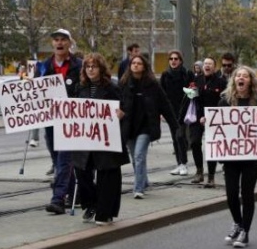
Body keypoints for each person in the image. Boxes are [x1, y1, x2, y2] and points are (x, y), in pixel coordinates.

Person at [72, 53, 130, 225]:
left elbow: (125, 106)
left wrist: (121, 114)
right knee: (82, 172)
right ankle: (91, 204)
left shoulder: (112, 87)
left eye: (94, 66)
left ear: (101, 69)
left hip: (106, 138)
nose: (90, 69)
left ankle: (105, 212)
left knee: (107, 175)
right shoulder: (80, 87)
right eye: (87, 66)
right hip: (85, 138)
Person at [220, 66, 257, 248]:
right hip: (231, 157)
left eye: (245, 76)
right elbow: (219, 126)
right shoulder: (225, 101)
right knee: (232, 193)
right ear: (234, 80)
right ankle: (238, 223)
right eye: (238, 75)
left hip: (252, 158)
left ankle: (245, 232)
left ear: (251, 81)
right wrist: (208, 122)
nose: (241, 78)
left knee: (247, 194)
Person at [120, 54, 178, 199]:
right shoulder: (124, 84)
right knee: (135, 157)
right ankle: (144, 181)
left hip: (146, 127)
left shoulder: (152, 85)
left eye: (139, 63)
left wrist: (174, 125)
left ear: (144, 66)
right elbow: (116, 102)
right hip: (129, 127)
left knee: (139, 156)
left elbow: (165, 104)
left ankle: (138, 188)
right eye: (133, 63)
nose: (136, 65)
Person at [43, 29, 83, 215]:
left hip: (71, 120)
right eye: (56, 40)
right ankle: (76, 192)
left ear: (69, 43)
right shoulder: (43, 67)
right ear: (52, 44)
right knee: (57, 159)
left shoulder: (79, 65)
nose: (59, 43)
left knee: (64, 160)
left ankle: (57, 199)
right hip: (51, 121)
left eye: (63, 40)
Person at [179, 57, 227, 187]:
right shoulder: (196, 80)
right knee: (194, 142)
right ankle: (199, 171)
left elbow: (224, 101)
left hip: (213, 118)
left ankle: (211, 177)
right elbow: (192, 99)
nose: (207, 66)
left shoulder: (221, 82)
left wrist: (211, 115)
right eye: (205, 63)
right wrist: (190, 92)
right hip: (197, 116)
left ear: (214, 67)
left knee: (211, 146)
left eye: (210, 64)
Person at [160, 50, 195, 176]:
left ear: (180, 60)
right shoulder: (165, 75)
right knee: (175, 138)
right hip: (170, 111)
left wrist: (190, 92)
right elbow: (161, 94)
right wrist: (161, 111)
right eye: (171, 59)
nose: (173, 61)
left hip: (184, 110)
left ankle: (184, 164)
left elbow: (193, 91)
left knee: (180, 136)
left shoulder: (187, 74)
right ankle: (179, 164)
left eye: (176, 58)